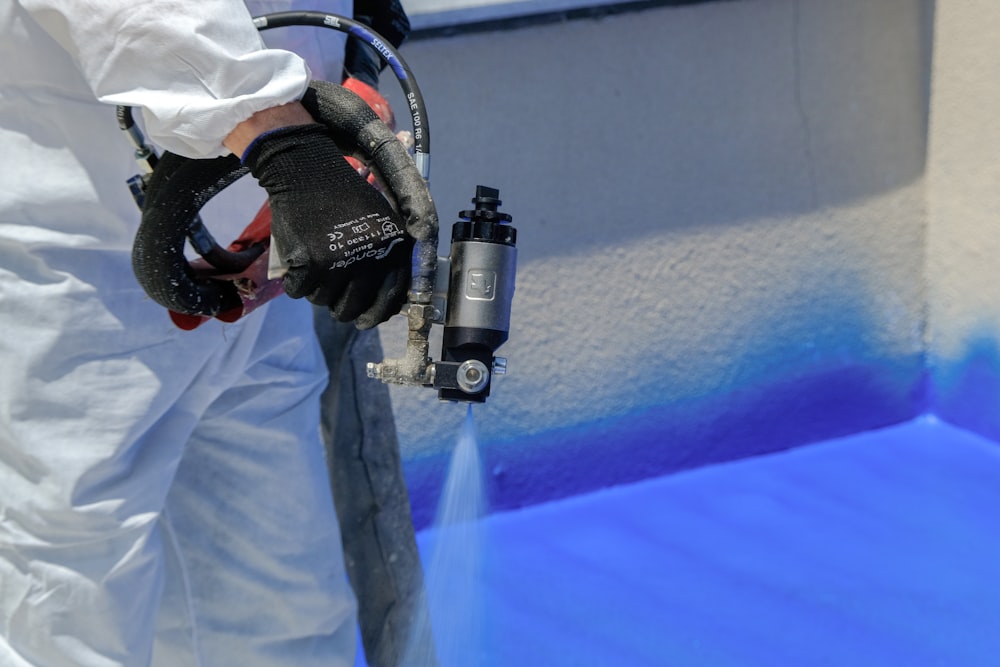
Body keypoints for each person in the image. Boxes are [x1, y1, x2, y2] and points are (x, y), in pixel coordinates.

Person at [0, 1, 431, 665]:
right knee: (72, 602)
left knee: (284, 606)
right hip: (81, 250)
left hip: (256, 221)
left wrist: (350, 48)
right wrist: (273, 134)